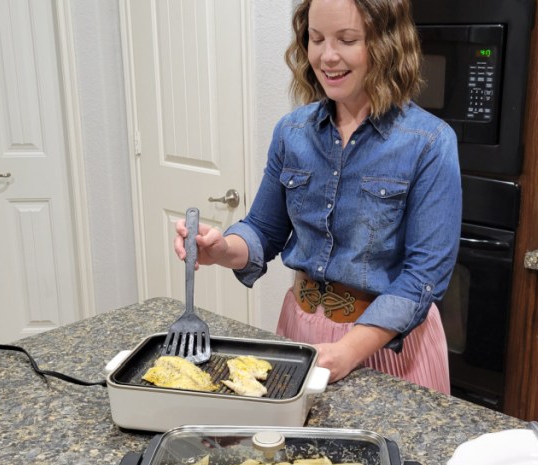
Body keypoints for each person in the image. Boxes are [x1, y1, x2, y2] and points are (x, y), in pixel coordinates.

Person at [174, 0, 461, 393]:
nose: (327, 57)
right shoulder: (292, 132)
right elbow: (262, 229)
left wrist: (348, 350)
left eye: (347, 40)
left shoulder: (429, 142)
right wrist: (221, 248)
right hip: (300, 332)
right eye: (316, 38)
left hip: (388, 346)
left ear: (386, 44)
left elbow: (422, 277)